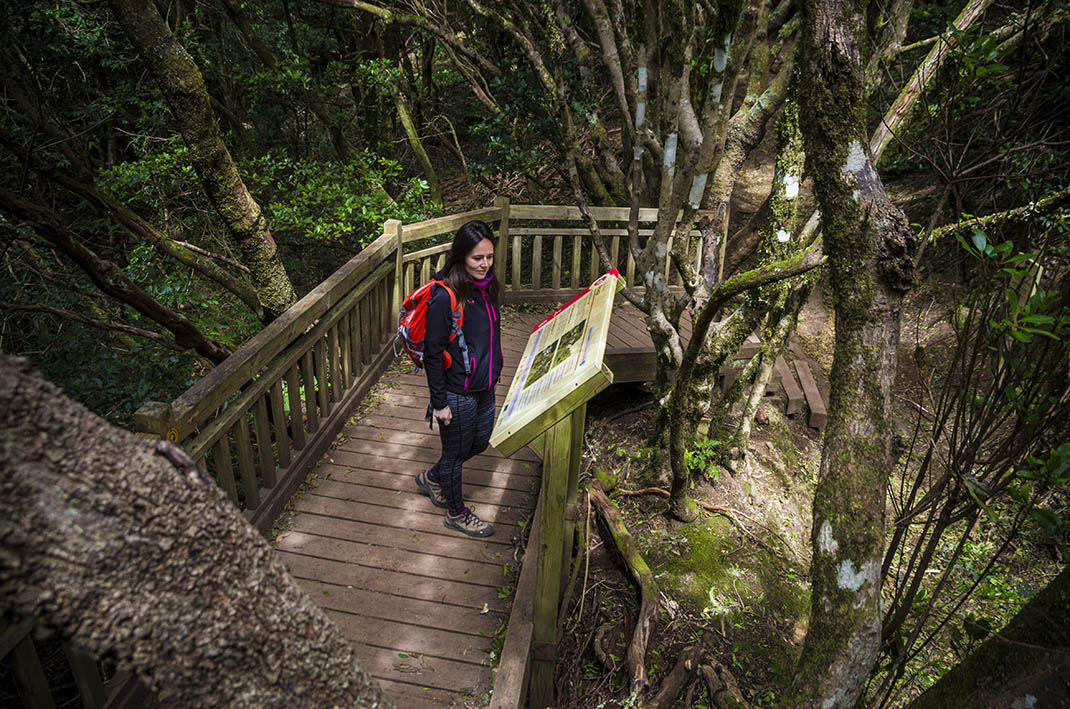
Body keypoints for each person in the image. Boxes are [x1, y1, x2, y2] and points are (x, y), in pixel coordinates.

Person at [415, 220, 503, 537]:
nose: (485, 264)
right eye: (477, 258)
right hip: (457, 392)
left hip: (485, 386)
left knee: (479, 442)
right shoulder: (446, 296)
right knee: (454, 455)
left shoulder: (488, 286)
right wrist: (439, 403)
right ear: (461, 256)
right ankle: (456, 513)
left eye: (489, 257)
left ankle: (433, 478)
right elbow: (433, 353)